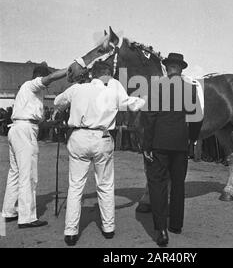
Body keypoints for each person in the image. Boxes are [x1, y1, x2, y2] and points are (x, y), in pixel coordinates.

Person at [54, 60, 145, 246]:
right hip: (102, 138)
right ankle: (108, 228)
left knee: (76, 185)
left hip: (79, 137)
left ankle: (71, 232)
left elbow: (57, 102)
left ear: (92, 74)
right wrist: (145, 97)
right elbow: (132, 105)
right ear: (108, 74)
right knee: (105, 184)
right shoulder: (114, 88)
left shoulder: (77, 89)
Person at [142, 52, 201, 247]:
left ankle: (161, 230)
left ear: (167, 68)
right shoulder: (190, 89)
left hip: (159, 143)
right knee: (178, 184)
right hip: (180, 144)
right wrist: (191, 138)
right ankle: (176, 224)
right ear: (181, 69)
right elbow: (196, 118)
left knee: (158, 184)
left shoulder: (157, 85)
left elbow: (150, 117)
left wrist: (147, 145)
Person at [1, 65, 67, 228]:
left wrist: (53, 123)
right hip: (24, 132)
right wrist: (69, 69)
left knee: (15, 173)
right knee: (29, 175)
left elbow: (36, 120)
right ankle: (27, 218)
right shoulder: (31, 85)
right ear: (39, 77)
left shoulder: (31, 93)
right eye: (45, 79)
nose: (47, 84)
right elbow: (50, 78)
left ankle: (8, 211)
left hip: (18, 129)